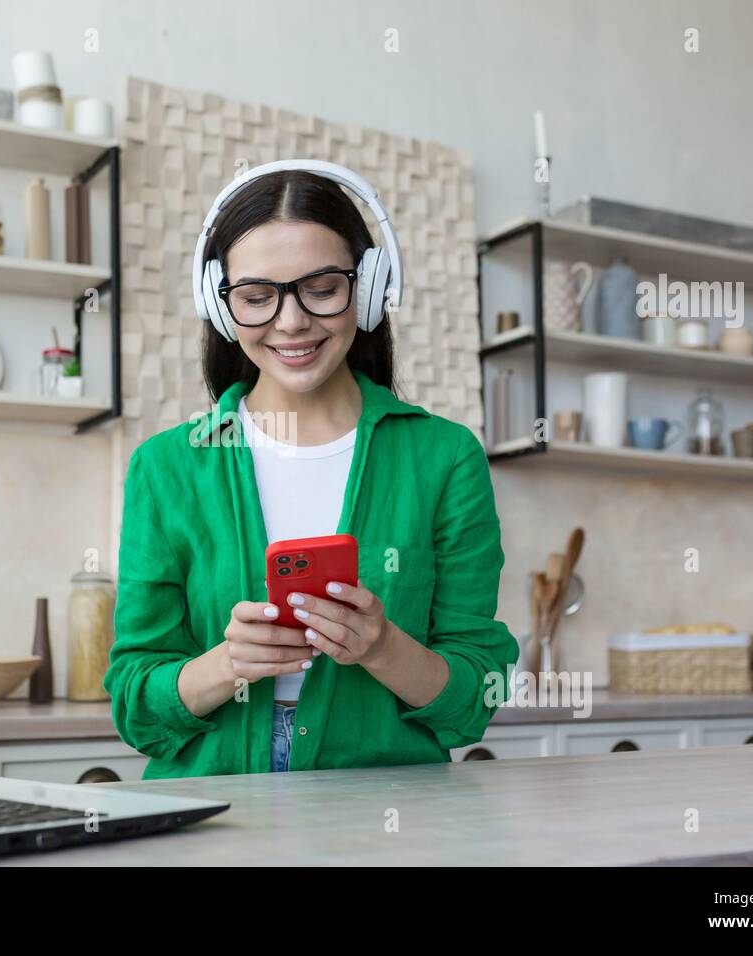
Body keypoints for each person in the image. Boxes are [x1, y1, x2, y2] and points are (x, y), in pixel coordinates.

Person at [103, 160, 517, 778]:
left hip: (383, 807)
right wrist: (229, 664)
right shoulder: (167, 467)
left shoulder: (444, 457)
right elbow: (136, 706)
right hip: (219, 809)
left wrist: (382, 648)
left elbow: (471, 704)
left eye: (322, 288)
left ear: (370, 288)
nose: (291, 321)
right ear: (222, 309)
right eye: (256, 296)